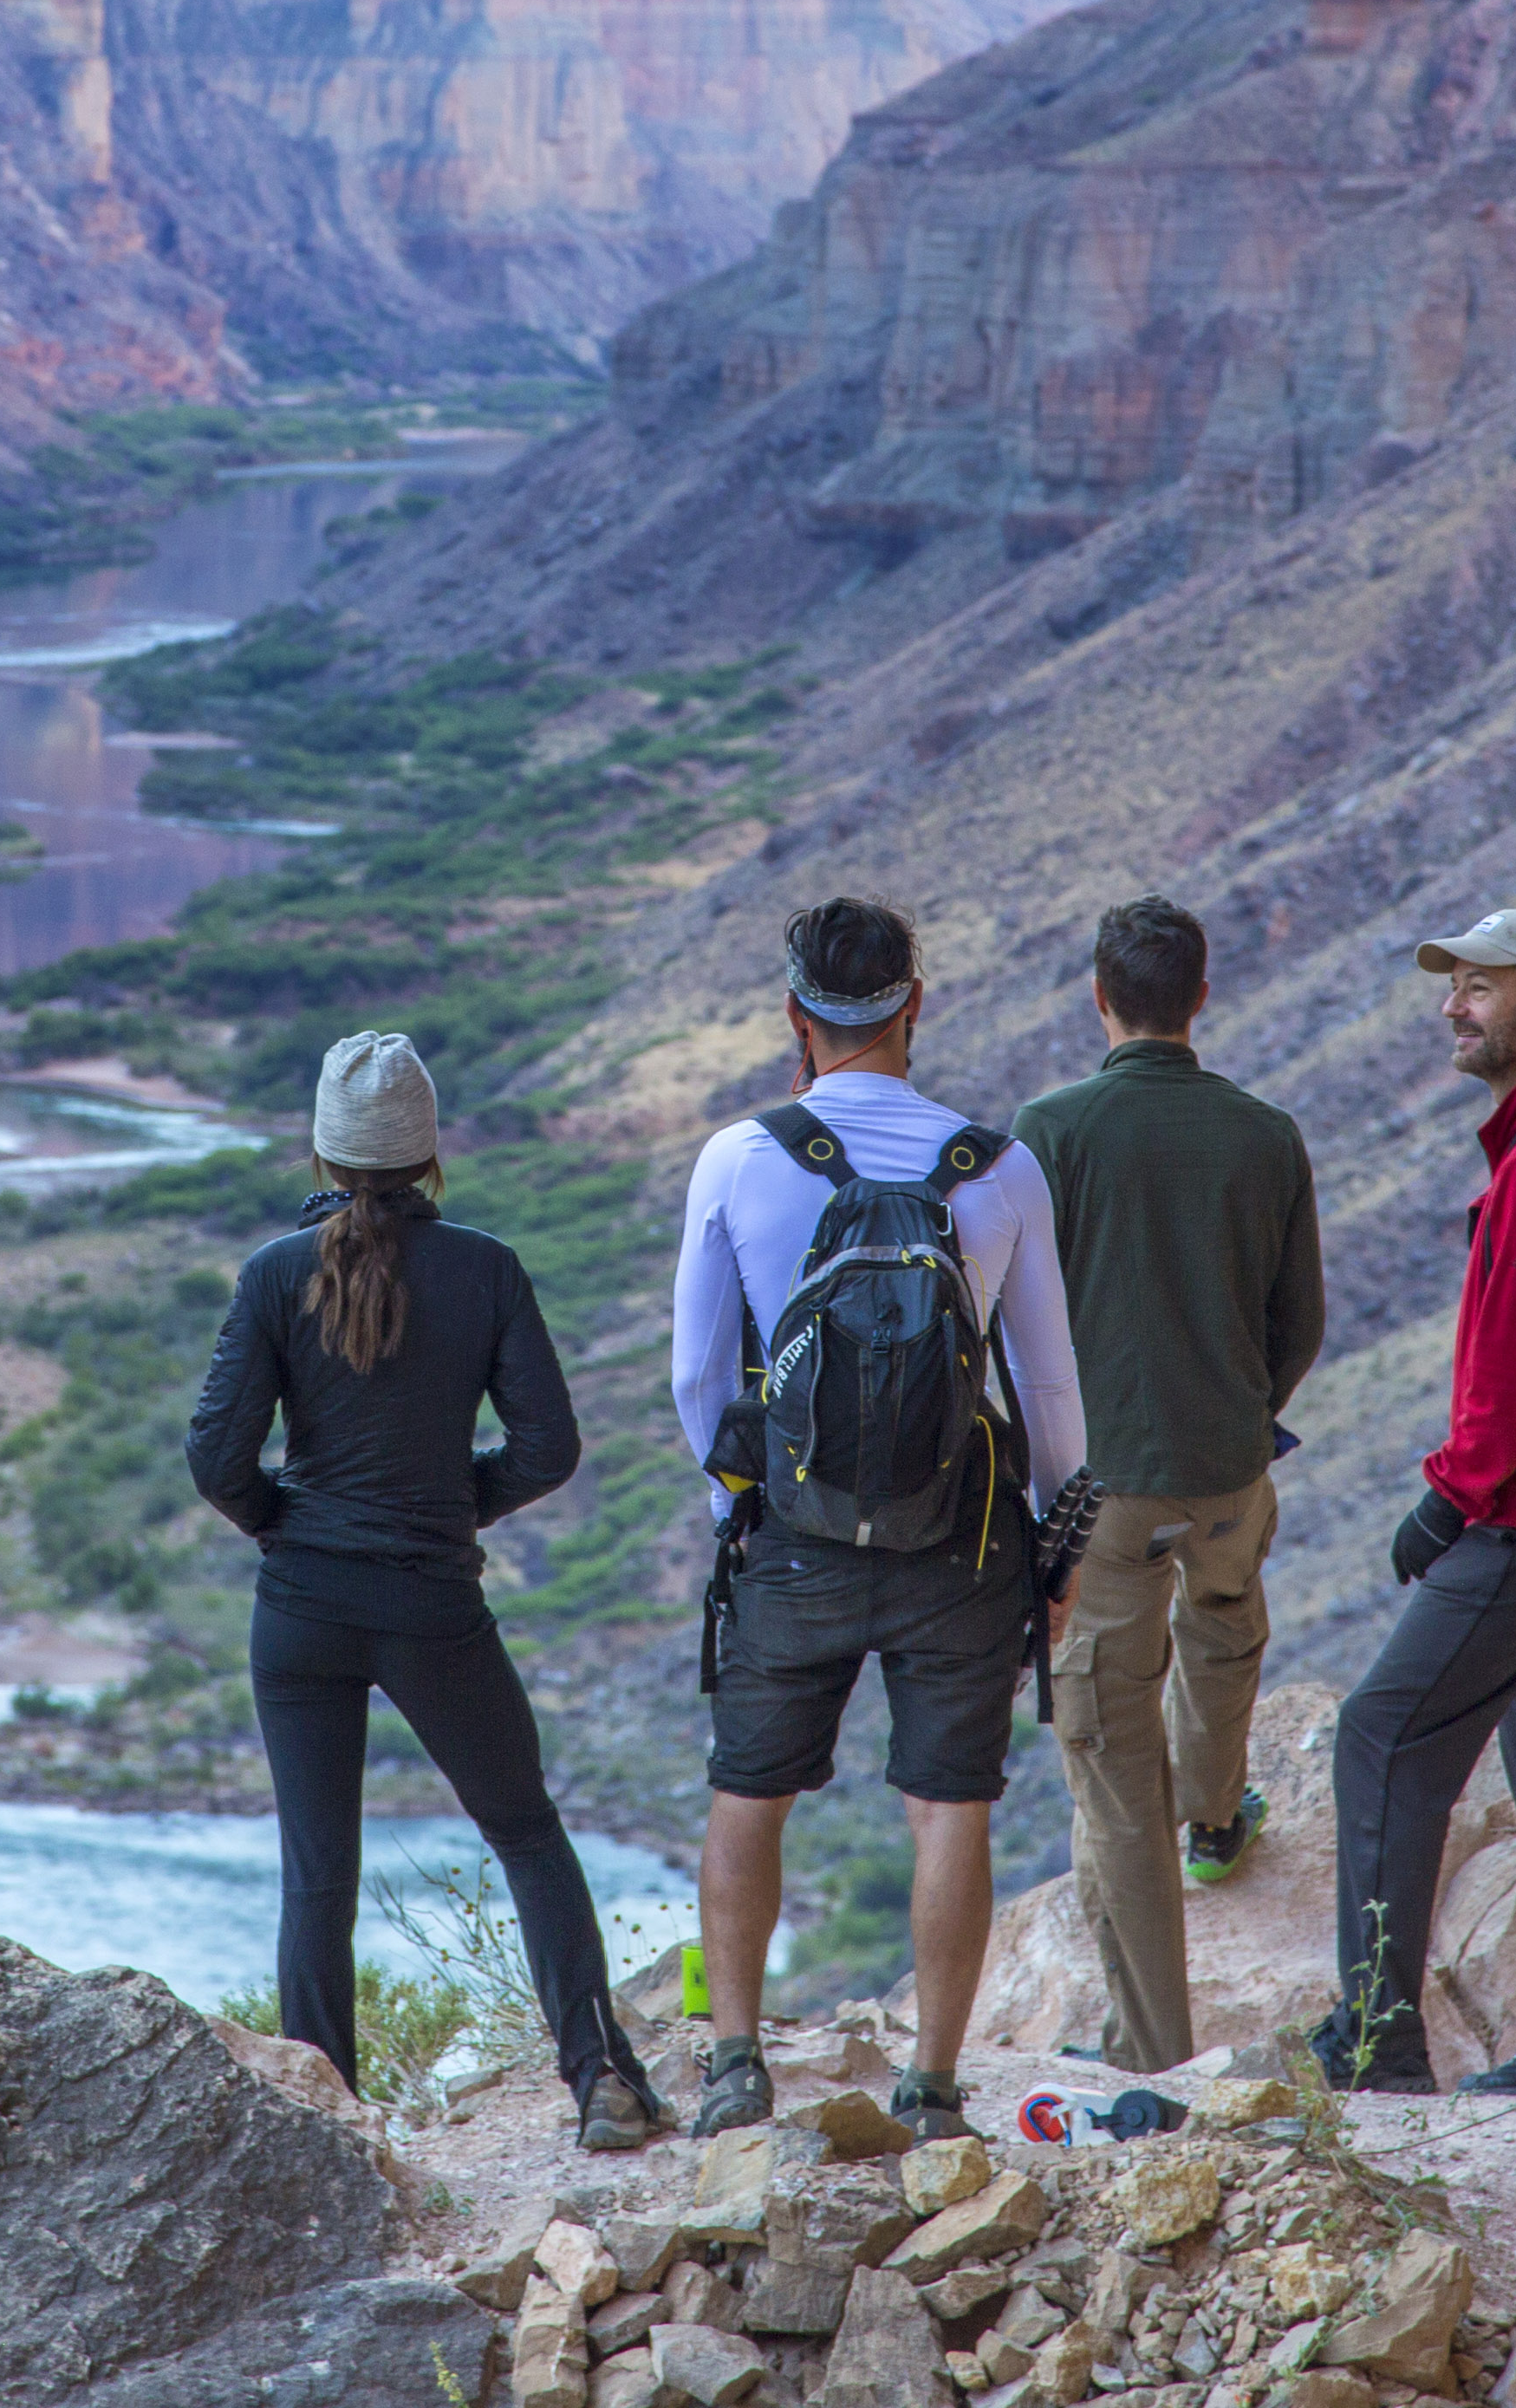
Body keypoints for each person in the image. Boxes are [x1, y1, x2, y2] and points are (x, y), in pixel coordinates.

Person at [187, 1030, 663, 2151]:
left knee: (318, 1879)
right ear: (429, 1153)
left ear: (320, 1147)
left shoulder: (271, 1275)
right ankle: (601, 2081)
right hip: (430, 1608)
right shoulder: (485, 1270)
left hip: (299, 1611)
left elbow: (215, 1461)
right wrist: (455, 1510)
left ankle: (328, 2125)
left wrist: (288, 1528)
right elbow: (548, 1448)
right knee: (527, 1833)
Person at [672, 896, 1086, 2144]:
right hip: (959, 1545)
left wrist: (738, 1507)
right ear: (918, 1005)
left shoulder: (740, 1158)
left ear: (795, 1018)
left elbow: (699, 1377)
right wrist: (1054, 1543)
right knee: (947, 1803)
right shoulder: (996, 1168)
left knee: (752, 1791)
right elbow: (1050, 1384)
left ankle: (736, 2067)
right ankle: (933, 2088)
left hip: (793, 1539)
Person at [1301, 907, 1516, 2099]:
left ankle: (1378, 2042)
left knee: (1384, 1735)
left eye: (1479, 987)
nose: (1454, 1005)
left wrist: (1449, 1500)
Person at [1012, 894, 1322, 2078]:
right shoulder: (1264, 1131)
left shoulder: (1050, 1129)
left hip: (1104, 1492)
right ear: (1201, 997)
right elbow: (1302, 1323)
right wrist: (1242, 1413)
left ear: (1099, 998)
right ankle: (1219, 1816)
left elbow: (1007, 1322)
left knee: (1107, 1759)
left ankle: (1150, 2053)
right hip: (1231, 1467)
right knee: (1228, 1618)